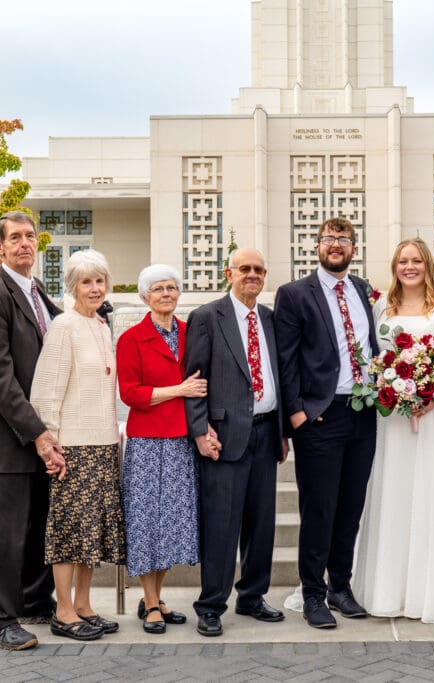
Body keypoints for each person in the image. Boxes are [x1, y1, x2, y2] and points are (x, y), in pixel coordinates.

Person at [352, 238, 434, 626]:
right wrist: (392, 387)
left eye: (417, 261)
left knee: (432, 494)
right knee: (393, 493)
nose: (409, 267)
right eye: (402, 261)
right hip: (393, 417)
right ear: (394, 267)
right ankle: (387, 591)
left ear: (428, 265)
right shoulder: (382, 308)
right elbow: (375, 359)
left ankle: (433, 596)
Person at [0, 210, 66, 651]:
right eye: (16, 238)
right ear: (0, 248)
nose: (25, 243)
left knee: (36, 522)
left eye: (31, 236)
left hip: (37, 430)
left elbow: (57, 329)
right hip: (9, 435)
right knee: (7, 530)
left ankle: (31, 599)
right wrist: (38, 432)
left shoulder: (35, 290)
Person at [274, 216, 378, 629]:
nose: (336, 245)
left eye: (344, 239)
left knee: (350, 508)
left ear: (354, 248)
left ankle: (340, 587)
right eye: (328, 239)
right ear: (316, 246)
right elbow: (285, 359)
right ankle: (313, 593)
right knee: (319, 509)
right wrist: (297, 413)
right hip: (320, 415)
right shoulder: (295, 294)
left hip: (363, 412)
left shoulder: (363, 290)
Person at [184, 248, 286, 637]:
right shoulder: (208, 317)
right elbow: (195, 380)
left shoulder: (270, 319)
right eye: (245, 268)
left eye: (259, 269)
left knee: (261, 524)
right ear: (229, 272)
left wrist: (281, 432)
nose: (252, 275)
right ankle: (211, 605)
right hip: (223, 437)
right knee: (222, 525)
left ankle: (252, 597)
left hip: (265, 433)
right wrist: (199, 430)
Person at [29, 249, 125, 642]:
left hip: (103, 443)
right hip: (72, 447)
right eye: (86, 282)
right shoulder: (63, 327)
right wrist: (50, 442)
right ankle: (64, 611)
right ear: (72, 287)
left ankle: (84, 605)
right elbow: (46, 391)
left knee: (94, 531)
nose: (95, 288)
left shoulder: (103, 327)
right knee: (69, 531)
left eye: (99, 280)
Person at [116, 264, 204, 635]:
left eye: (171, 288)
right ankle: (150, 603)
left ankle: (156, 596)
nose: (166, 294)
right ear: (144, 297)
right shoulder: (131, 339)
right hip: (148, 443)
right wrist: (177, 391)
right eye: (158, 289)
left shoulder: (190, 333)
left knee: (172, 524)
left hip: (182, 441)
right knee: (146, 523)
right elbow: (130, 393)